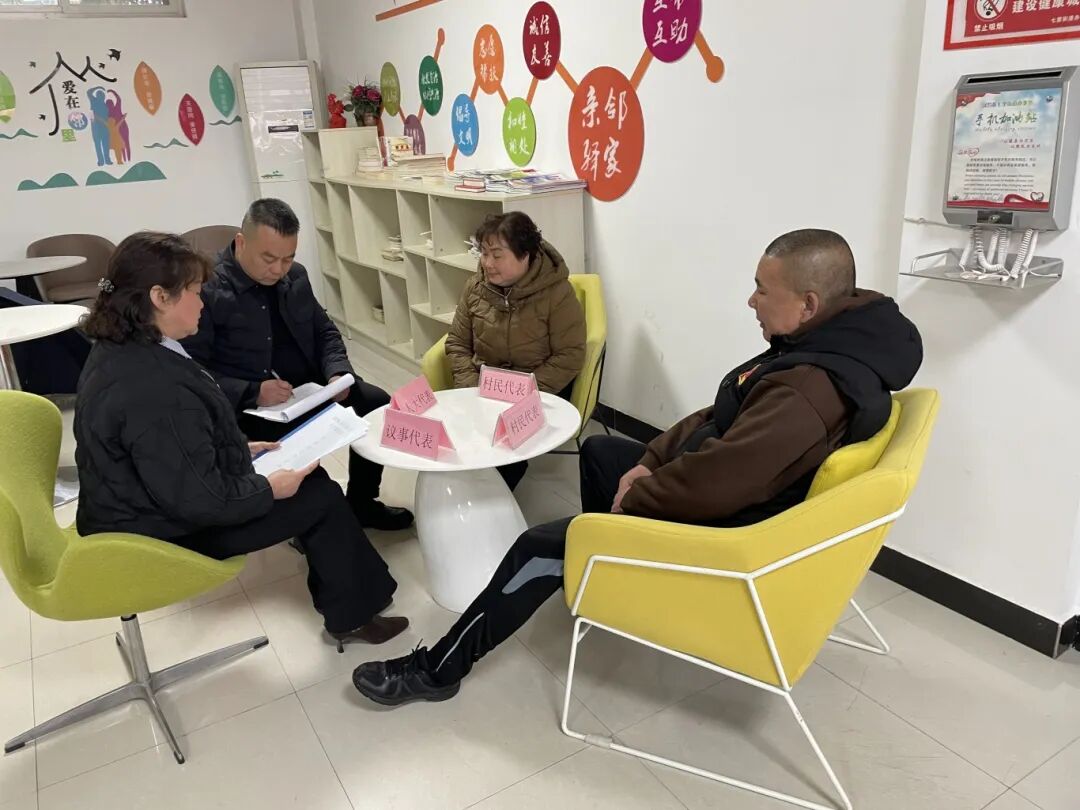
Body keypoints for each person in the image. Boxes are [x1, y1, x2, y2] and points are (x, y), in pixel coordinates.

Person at [351, 228, 923, 706]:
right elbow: (718, 414)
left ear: (808, 304)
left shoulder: (808, 391)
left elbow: (720, 484)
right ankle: (603, 582)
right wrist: (649, 460)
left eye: (761, 289)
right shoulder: (827, 345)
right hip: (720, 490)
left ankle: (437, 671)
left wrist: (639, 498)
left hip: (725, 534)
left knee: (538, 546)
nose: (751, 301)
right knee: (605, 454)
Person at [75, 232, 408, 650]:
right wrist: (268, 487)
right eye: (195, 292)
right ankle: (353, 616)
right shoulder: (155, 387)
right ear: (160, 297)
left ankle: (354, 602)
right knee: (318, 497)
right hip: (155, 530)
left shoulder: (123, 348)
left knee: (308, 482)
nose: (202, 302)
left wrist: (236, 450)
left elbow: (167, 452)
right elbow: (202, 499)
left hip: (140, 501)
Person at [182, 198, 412, 531]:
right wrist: (252, 392)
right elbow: (192, 371)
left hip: (308, 391)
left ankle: (362, 502)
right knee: (308, 474)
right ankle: (307, 524)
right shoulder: (207, 289)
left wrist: (338, 373)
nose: (279, 269)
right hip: (254, 409)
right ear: (241, 242)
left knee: (375, 402)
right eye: (269, 258)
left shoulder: (296, 277)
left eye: (288, 258)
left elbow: (325, 332)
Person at [444, 212, 586, 490]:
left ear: (525, 256)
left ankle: (487, 500)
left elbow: (569, 355)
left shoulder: (557, 293)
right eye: (484, 253)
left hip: (538, 389)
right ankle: (460, 494)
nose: (487, 263)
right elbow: (457, 343)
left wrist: (523, 393)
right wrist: (471, 388)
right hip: (483, 387)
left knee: (504, 453)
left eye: (497, 255)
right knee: (459, 438)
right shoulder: (475, 288)